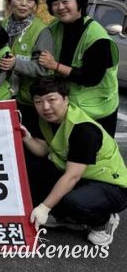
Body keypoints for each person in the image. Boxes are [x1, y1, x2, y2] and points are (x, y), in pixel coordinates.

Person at [24, 77, 127, 246]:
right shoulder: (47, 121)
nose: (45, 107)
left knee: (74, 201)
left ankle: (104, 221)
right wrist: (27, 138)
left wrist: (44, 207)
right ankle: (68, 217)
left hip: (111, 186)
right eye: (38, 102)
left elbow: (73, 176)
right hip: (80, 178)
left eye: (51, 99)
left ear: (66, 99)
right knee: (33, 170)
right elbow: (43, 150)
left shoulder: (83, 130)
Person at [38, 0, 119, 136]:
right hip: (68, 107)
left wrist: (55, 66)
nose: (60, 7)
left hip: (98, 111)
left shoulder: (97, 37)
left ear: (79, 3)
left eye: (65, 1)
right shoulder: (55, 26)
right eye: (55, 3)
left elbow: (91, 77)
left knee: (95, 150)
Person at [0, 0, 52, 128]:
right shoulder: (1, 27)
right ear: (9, 1)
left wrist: (16, 64)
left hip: (28, 102)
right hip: (2, 97)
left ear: (35, 5)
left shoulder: (41, 31)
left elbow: (43, 69)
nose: (23, 4)